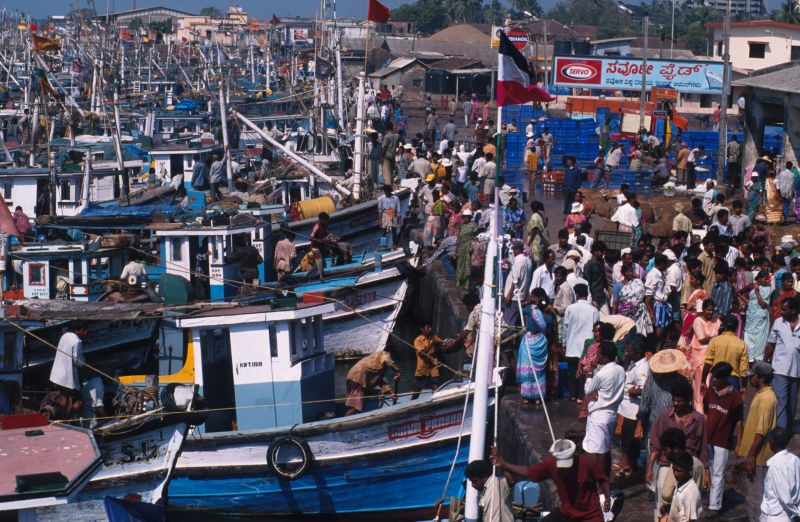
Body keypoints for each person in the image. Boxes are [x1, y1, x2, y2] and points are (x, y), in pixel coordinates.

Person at [491, 438, 612, 521]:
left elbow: (603, 480)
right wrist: (504, 464)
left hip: (590, 515)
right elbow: (528, 471)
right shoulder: (550, 464)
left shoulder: (587, 463)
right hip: (567, 512)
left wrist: (607, 499)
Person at [647, 378, 710, 504]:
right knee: (663, 501)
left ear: (688, 400)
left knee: (688, 506)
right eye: (674, 400)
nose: (675, 403)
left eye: (679, 401)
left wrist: (707, 473)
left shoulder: (699, 420)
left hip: (690, 466)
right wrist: (649, 468)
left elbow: (703, 449)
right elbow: (655, 445)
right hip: (667, 465)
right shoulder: (664, 417)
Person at [701, 362, 743, 518]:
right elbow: (705, 413)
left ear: (726, 378)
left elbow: (739, 421)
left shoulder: (735, 397)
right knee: (708, 469)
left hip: (723, 441)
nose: (713, 381)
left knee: (718, 472)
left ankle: (715, 506)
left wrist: (739, 443)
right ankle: (710, 497)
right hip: (708, 439)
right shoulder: (710, 392)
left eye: (716, 378)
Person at [738, 360, 778, 521]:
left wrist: (752, 454)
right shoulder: (761, 395)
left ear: (761, 378)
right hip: (756, 455)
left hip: (759, 457)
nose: (750, 379)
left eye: (752, 376)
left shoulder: (767, 399)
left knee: (755, 498)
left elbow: (761, 431)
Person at [583, 342, 626, 476]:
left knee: (596, 451)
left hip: (599, 415)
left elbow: (588, 390)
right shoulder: (621, 370)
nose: (597, 356)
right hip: (612, 414)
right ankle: (604, 480)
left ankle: (598, 482)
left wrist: (590, 372)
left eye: (599, 354)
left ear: (606, 357)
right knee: (606, 448)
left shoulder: (602, 374)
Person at [765, 294, 800, 431]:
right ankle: (781, 431)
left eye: (784, 309)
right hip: (779, 368)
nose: (781, 312)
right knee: (781, 401)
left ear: (794, 310)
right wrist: (764, 362)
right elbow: (771, 344)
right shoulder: (779, 322)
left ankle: (789, 427)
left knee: (792, 403)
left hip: (796, 370)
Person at [517, 289, 554, 407]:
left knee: (528, 369)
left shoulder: (530, 310)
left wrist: (526, 302)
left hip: (529, 341)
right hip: (541, 342)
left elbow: (519, 309)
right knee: (539, 370)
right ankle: (538, 397)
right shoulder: (549, 316)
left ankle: (527, 396)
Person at [563, 284, 599, 402]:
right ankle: (581, 396)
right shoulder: (594, 310)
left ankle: (573, 394)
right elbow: (597, 328)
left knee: (572, 371)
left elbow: (565, 327)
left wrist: (564, 343)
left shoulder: (570, 308)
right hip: (587, 347)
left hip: (572, 345)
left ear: (576, 294)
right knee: (585, 372)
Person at [683, 299, 720, 411]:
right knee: (701, 384)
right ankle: (700, 409)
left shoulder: (716, 320)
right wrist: (717, 338)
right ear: (703, 309)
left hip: (713, 356)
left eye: (712, 310)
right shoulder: (698, 321)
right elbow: (702, 339)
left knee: (711, 383)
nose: (710, 312)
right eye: (708, 310)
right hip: (700, 357)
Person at [411, 323, 464, 399]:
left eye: (430, 327)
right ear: (422, 329)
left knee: (435, 387)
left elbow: (443, 343)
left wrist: (453, 340)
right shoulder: (418, 340)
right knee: (417, 390)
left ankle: (435, 402)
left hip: (433, 367)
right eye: (428, 327)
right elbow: (422, 354)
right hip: (422, 369)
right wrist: (433, 343)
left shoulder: (434, 338)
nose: (430, 329)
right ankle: (412, 402)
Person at [761, 426, 800, 521]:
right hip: (789, 513)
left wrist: (797, 514)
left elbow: (785, 497)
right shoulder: (795, 460)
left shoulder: (776, 466)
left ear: (771, 443)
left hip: (778, 515)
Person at [344, 350, 400, 415]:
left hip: (351, 376)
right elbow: (387, 360)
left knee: (354, 401)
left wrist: (392, 393)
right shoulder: (384, 354)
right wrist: (397, 370)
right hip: (358, 378)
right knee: (355, 406)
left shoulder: (376, 361)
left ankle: (354, 414)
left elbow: (380, 382)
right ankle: (346, 420)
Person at [702, 314, 749, 392]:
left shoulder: (714, 341)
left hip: (716, 380)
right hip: (732, 381)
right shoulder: (742, 344)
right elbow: (745, 371)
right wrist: (744, 386)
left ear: (723, 325)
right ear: (736, 327)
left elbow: (707, 363)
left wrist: (703, 381)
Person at [49, 322, 90, 393]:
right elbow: (77, 361)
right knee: (78, 400)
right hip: (66, 378)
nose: (86, 333)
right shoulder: (77, 341)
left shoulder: (65, 336)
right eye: (84, 330)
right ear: (78, 330)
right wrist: (84, 364)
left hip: (56, 376)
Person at [665, 451, 703, 522]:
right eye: (674, 469)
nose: (675, 473)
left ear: (689, 470)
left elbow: (691, 520)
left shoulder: (690, 492)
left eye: (679, 471)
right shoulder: (680, 483)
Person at [745, 270, 772, 362]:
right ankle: (749, 358)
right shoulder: (755, 288)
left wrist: (757, 291)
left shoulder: (767, 289)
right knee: (749, 336)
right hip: (751, 317)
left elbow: (763, 304)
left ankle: (758, 358)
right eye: (765, 279)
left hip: (760, 317)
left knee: (759, 337)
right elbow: (751, 302)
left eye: (768, 279)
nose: (767, 281)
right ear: (759, 279)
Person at [584, 241, 610, 313]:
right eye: (601, 251)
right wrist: (590, 299)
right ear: (595, 251)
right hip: (593, 297)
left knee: (607, 317)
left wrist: (609, 290)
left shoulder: (601, 262)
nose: (602, 253)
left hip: (602, 296)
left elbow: (604, 278)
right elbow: (586, 282)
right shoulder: (589, 265)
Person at [377, 185, 400, 250]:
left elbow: (398, 209)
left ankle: (395, 245)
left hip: (393, 214)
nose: (386, 192)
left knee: (394, 231)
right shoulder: (382, 199)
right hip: (385, 215)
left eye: (387, 191)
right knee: (384, 231)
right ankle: (383, 245)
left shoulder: (395, 198)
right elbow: (380, 210)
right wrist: (380, 220)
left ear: (390, 191)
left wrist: (399, 219)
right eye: (385, 191)